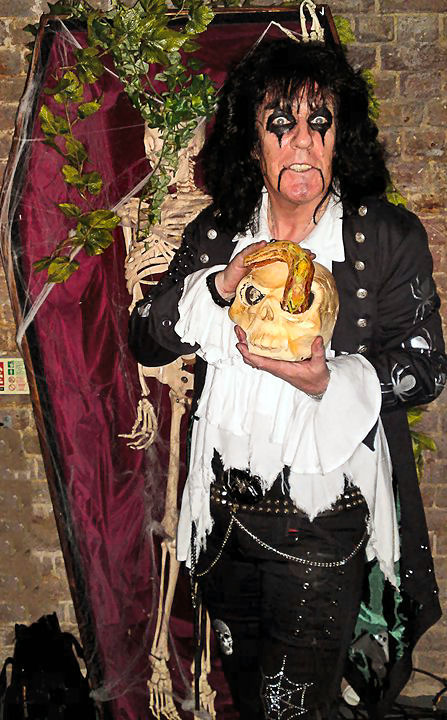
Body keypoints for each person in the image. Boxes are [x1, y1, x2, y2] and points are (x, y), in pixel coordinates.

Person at [129, 38, 447, 720]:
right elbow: (147, 339)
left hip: (323, 523)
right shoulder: (219, 234)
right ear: (252, 145)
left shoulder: (382, 238)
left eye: (318, 122)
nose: (301, 141)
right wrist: (217, 287)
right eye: (280, 123)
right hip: (221, 519)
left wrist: (330, 381)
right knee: (251, 699)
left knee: (292, 708)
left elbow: (425, 368)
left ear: (340, 138)